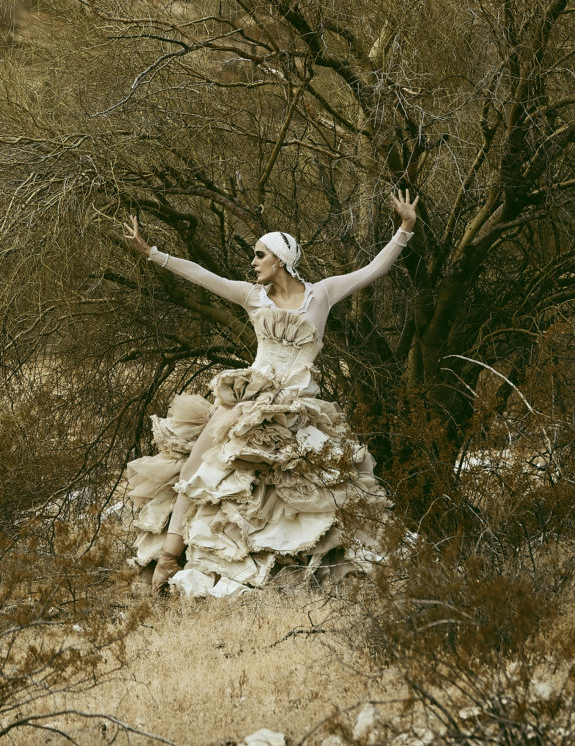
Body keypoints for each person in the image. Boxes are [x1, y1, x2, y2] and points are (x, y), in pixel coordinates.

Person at [117, 190, 418, 598]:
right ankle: (170, 558)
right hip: (249, 397)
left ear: (280, 260)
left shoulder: (322, 294)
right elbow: (202, 276)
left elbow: (371, 270)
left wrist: (405, 228)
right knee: (196, 467)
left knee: (311, 484)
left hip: (298, 405)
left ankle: (296, 567)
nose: (253, 262)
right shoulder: (251, 296)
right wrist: (151, 252)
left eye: (260, 255)